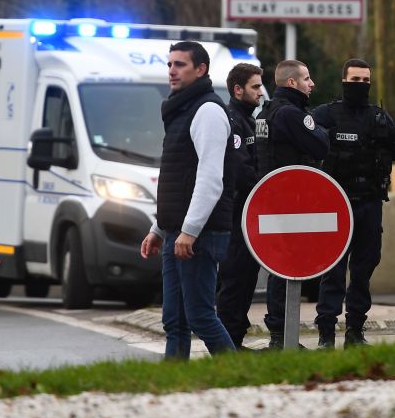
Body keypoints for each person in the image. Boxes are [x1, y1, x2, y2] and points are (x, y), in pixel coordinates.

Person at [139, 41, 237, 359]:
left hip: (199, 235)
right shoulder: (181, 109)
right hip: (176, 232)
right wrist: (159, 227)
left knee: (200, 317)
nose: (172, 71)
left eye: (180, 64)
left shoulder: (208, 111)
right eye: (169, 64)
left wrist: (190, 230)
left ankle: (238, 377)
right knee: (175, 322)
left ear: (201, 70)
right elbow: (180, 179)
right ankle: (174, 383)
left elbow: (210, 179)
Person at [312, 58, 395, 349]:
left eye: (365, 81)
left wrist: (385, 138)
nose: (361, 86)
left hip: (369, 203)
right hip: (336, 203)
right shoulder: (326, 115)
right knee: (334, 271)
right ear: (344, 81)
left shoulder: (379, 117)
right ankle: (326, 333)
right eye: (355, 81)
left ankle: (355, 330)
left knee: (364, 268)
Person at [255, 59, 329, 349]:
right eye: (307, 78)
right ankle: (282, 337)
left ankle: (280, 336)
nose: (312, 84)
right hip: (291, 201)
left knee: (279, 267)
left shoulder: (266, 113)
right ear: (291, 83)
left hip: (272, 198)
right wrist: (321, 131)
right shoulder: (289, 114)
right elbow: (320, 145)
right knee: (286, 268)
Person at [215, 62, 266, 349]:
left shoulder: (249, 119)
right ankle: (227, 345)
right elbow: (242, 170)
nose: (261, 92)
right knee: (235, 280)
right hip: (236, 215)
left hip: (249, 213)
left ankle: (235, 340)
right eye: (255, 87)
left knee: (246, 278)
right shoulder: (232, 119)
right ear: (238, 90)